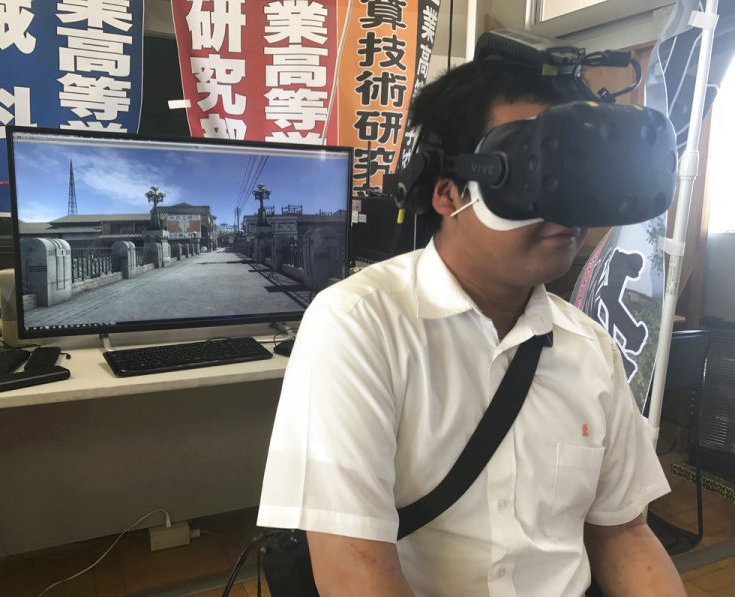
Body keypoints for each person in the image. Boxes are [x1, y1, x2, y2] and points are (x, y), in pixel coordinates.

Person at [257, 55, 685, 596]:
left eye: (572, 174)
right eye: (530, 173)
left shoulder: (590, 348)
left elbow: (622, 531)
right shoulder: (359, 326)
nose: (563, 208)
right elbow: (352, 569)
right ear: (448, 192)